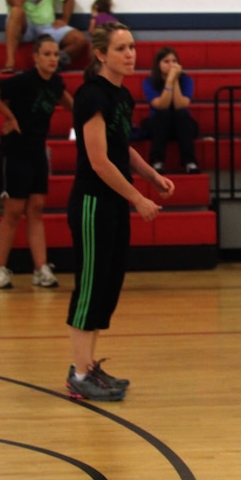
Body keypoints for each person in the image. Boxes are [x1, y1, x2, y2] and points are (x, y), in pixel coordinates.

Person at [65, 22, 175, 402]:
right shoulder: (91, 96)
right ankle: (78, 373)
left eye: (132, 47)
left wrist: (152, 176)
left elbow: (120, 149)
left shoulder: (121, 96)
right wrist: (138, 198)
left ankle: (89, 366)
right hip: (93, 203)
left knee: (107, 288)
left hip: (112, 203)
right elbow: (98, 161)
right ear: (100, 54)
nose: (131, 54)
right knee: (90, 288)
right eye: (121, 48)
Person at [0, 34, 74, 289]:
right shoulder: (23, 81)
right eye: (47, 54)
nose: (52, 59)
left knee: (36, 208)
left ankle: (41, 269)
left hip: (37, 152)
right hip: (15, 152)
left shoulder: (55, 84)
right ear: (35, 57)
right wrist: (9, 115)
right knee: (13, 211)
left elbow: (73, 106)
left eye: (56, 54)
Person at [142, 47, 200, 174]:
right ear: (158, 64)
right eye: (166, 61)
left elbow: (180, 105)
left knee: (182, 114)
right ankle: (157, 161)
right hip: (159, 125)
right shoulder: (149, 81)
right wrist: (169, 81)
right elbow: (161, 105)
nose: (171, 65)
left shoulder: (186, 80)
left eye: (174, 61)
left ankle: (189, 162)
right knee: (163, 114)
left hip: (182, 125)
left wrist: (175, 81)